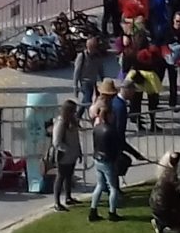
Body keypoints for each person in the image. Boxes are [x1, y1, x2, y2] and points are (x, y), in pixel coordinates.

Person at [86, 81, 128, 222]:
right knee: (113, 188)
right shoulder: (110, 130)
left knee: (99, 185)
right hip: (108, 160)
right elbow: (116, 146)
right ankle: (112, 212)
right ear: (109, 115)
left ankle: (93, 210)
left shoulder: (97, 128)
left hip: (97, 159)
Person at [48, 101, 83, 211]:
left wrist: (78, 151)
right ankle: (57, 203)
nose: (75, 113)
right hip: (63, 156)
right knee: (61, 177)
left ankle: (68, 197)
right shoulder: (61, 123)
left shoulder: (72, 122)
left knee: (69, 176)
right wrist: (67, 150)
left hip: (72, 155)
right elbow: (56, 142)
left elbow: (76, 138)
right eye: (73, 111)